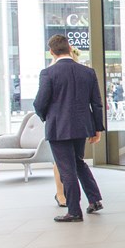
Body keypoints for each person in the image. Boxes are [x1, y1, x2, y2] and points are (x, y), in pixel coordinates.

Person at [33, 34, 105, 223]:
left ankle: (74, 211)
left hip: (58, 128)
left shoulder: (48, 73)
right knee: (78, 162)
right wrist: (97, 128)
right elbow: (97, 103)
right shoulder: (88, 72)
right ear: (70, 48)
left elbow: (40, 103)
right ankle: (95, 200)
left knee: (67, 169)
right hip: (82, 127)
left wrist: (46, 117)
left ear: (52, 52)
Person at [52, 48, 84, 207]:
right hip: (60, 125)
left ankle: (69, 200)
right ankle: (61, 195)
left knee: (71, 163)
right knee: (62, 163)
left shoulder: (82, 73)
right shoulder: (51, 72)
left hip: (67, 125)